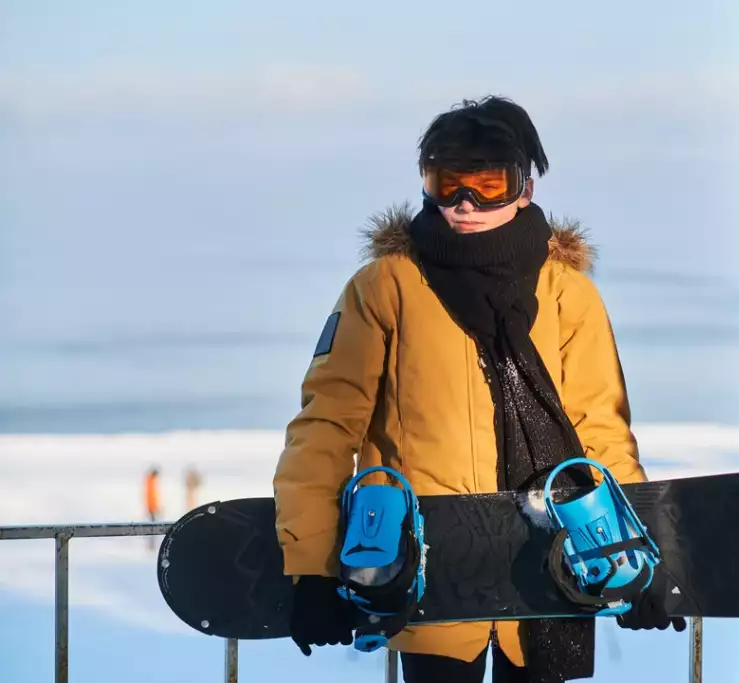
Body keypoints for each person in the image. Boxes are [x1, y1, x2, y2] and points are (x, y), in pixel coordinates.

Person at [272, 95, 685, 683]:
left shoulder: (567, 295)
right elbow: (326, 427)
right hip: (430, 577)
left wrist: (633, 557)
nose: (464, 204)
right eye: (447, 183)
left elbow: (602, 432)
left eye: (487, 184)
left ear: (525, 188)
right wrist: (313, 565)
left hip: (554, 566)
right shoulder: (387, 287)